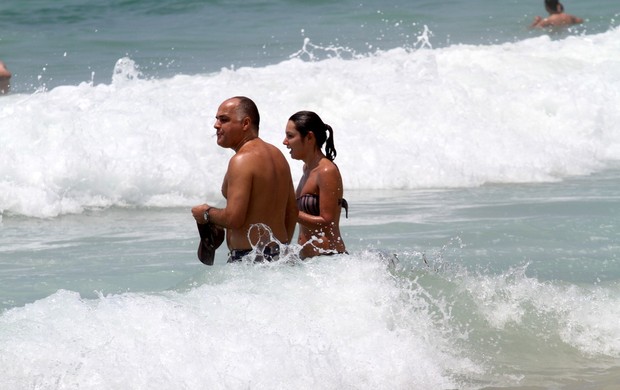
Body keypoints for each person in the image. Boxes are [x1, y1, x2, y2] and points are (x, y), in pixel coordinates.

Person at [191, 96, 298, 263]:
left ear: (245, 123)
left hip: (251, 261)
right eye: (217, 119)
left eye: (224, 119)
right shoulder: (278, 155)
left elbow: (234, 218)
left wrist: (205, 213)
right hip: (281, 256)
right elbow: (292, 211)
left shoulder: (242, 160)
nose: (216, 125)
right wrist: (281, 249)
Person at [283, 111, 348, 259]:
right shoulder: (307, 169)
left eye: (290, 136)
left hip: (329, 260)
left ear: (310, 137)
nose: (285, 141)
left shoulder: (327, 171)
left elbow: (327, 222)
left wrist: (290, 211)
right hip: (310, 263)